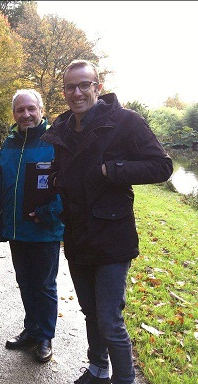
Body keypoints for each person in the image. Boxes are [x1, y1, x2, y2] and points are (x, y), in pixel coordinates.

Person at [41, 60, 173, 384]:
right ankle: (98, 369)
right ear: (64, 92)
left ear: (97, 87)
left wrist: (112, 170)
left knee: (110, 319)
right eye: (71, 86)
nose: (77, 92)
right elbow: (55, 172)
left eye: (84, 84)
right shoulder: (60, 130)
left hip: (113, 236)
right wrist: (55, 183)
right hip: (76, 235)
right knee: (90, 312)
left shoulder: (126, 122)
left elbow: (162, 166)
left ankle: (124, 379)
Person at [0, 89, 64, 363]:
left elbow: (66, 187)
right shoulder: (8, 145)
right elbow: (1, 188)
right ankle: (32, 330)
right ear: (14, 114)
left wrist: (49, 213)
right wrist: (0, 227)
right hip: (17, 231)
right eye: (20, 110)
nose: (26, 114)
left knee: (44, 284)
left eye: (31, 109)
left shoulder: (54, 143)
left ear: (41, 110)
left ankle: (45, 335)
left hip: (45, 230)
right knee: (25, 282)